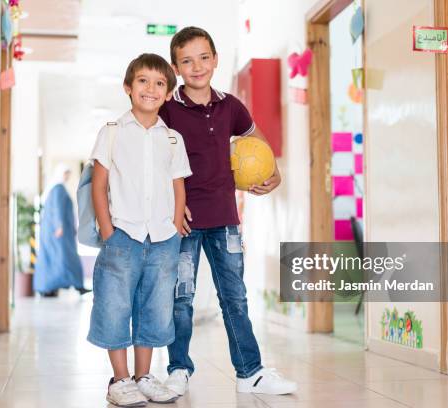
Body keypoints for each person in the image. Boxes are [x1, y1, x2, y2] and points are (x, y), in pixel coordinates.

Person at [159, 26, 297, 396]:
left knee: (234, 297)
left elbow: (257, 141)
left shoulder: (230, 105)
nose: (197, 66)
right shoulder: (167, 110)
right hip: (183, 221)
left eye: (204, 57)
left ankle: (249, 372)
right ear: (176, 68)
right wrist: (173, 206)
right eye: (187, 60)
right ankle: (178, 368)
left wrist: (275, 172)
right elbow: (156, 165)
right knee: (180, 299)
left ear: (215, 59)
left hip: (225, 219)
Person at [87, 53, 192, 406]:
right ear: (128, 88)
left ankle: (144, 375)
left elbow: (178, 185)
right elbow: (98, 185)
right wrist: (107, 230)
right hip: (123, 235)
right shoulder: (112, 133)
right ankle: (119, 380)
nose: (151, 88)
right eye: (143, 81)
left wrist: (177, 227)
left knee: (156, 306)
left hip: (163, 238)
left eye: (159, 83)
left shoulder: (173, 138)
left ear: (167, 93)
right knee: (115, 304)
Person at [34, 164, 91, 297]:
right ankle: (74, 286)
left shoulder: (55, 188)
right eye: (66, 174)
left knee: (55, 259)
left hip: (56, 232)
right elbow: (57, 209)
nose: (67, 177)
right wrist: (59, 226)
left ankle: (49, 287)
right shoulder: (58, 188)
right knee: (64, 258)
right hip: (58, 233)